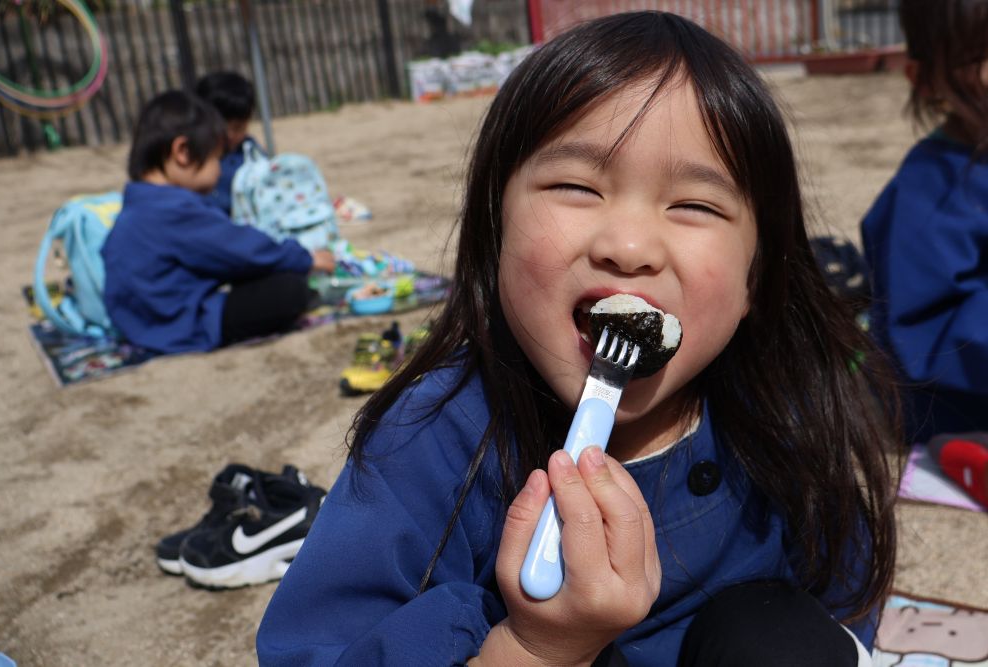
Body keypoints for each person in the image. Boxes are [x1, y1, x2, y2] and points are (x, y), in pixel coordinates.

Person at [257, 11, 901, 666]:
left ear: (755, 280)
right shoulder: (428, 440)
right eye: (576, 187)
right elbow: (314, 648)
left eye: (694, 205)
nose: (629, 247)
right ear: (495, 230)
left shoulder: (777, 401)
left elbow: (842, 583)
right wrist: (535, 647)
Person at [101, 90, 334, 355]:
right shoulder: (174, 208)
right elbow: (242, 249)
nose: (219, 169)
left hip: (142, 324)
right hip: (183, 325)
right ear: (183, 152)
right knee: (288, 289)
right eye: (215, 158)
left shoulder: (137, 205)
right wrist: (303, 258)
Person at [860, 0, 988, 443]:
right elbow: (924, 331)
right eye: (979, 56)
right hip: (956, 406)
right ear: (925, 78)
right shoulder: (932, 189)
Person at [194, 70, 259, 216]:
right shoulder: (191, 157)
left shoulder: (251, 155)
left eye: (238, 128)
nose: (229, 135)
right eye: (221, 127)